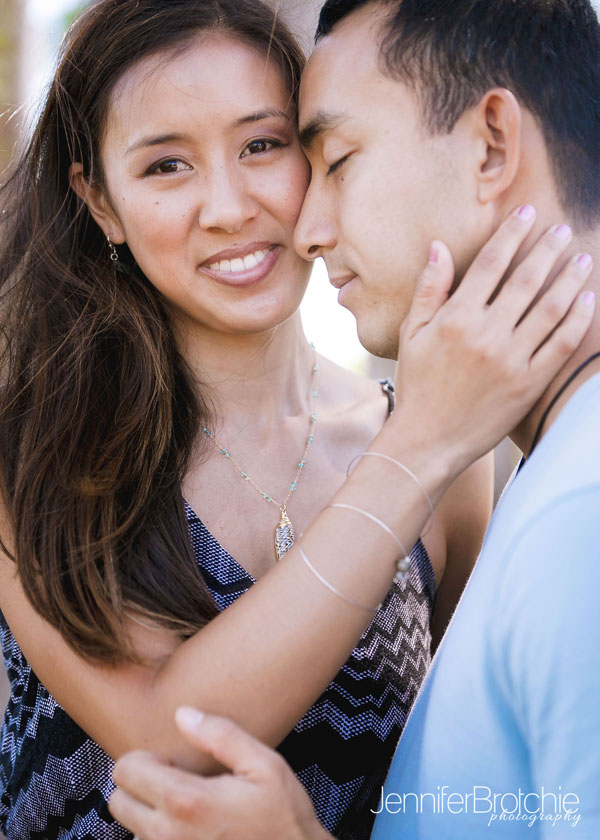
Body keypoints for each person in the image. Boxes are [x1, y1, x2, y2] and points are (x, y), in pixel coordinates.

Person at [0, 1, 592, 840]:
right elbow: (170, 744)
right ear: (99, 202)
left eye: (264, 144)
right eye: (166, 166)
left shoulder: (453, 456)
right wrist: (414, 450)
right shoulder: (33, 451)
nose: (231, 206)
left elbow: (466, 782)